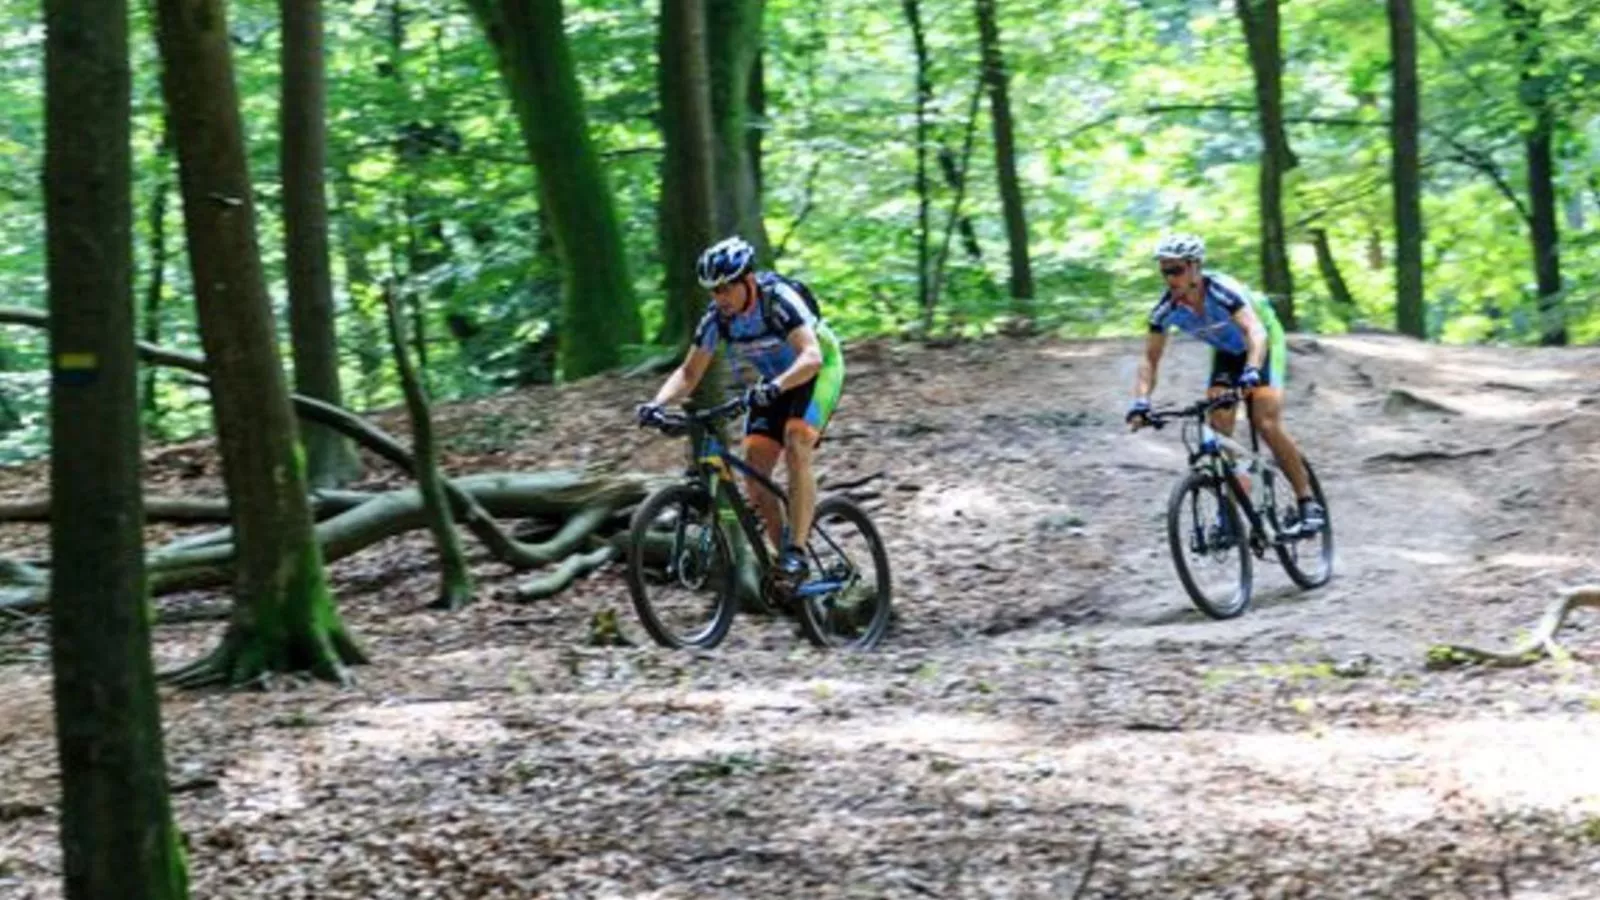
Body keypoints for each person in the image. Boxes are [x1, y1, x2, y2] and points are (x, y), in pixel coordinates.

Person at [637, 236, 846, 580]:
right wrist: (656, 403)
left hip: (818, 371)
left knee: (796, 441)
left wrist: (774, 387)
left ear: (746, 281)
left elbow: (811, 356)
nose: (719, 298)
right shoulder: (717, 319)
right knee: (755, 475)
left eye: (724, 289)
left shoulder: (777, 301)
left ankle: (796, 549)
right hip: (774, 384)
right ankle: (786, 567)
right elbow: (689, 373)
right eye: (712, 291)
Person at [1126, 233, 1325, 533]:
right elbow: (1150, 360)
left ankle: (1307, 501)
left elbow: (1255, 332)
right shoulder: (1166, 309)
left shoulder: (1222, 291)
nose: (1170, 278)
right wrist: (1141, 402)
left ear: (1195, 268)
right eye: (1164, 271)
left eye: (1176, 270)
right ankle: (1229, 512)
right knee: (1217, 422)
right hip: (1228, 353)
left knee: (1265, 422)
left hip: (1263, 342)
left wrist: (1253, 371)